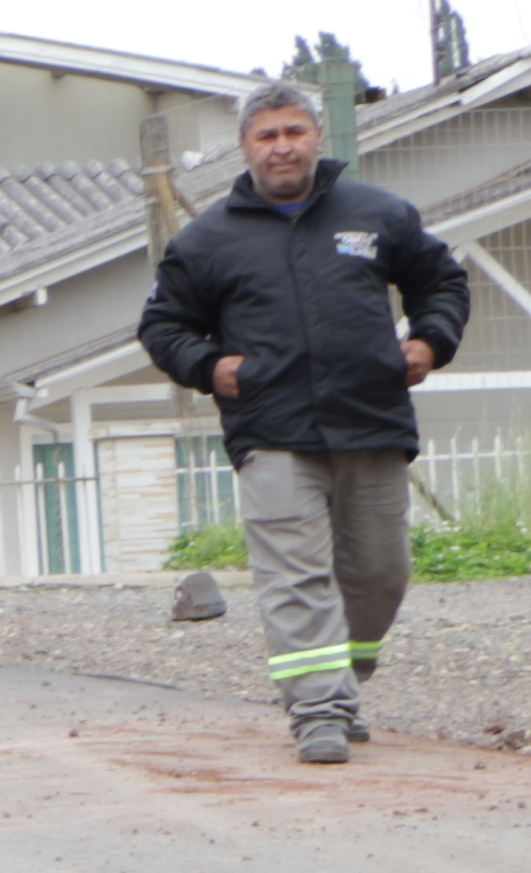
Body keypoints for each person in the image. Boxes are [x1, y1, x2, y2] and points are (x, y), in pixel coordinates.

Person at [140, 81, 469, 766]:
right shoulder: (207, 239)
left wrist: (430, 341)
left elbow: (441, 281)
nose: (282, 147)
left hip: (372, 422)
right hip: (271, 432)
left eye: (294, 132)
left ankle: (344, 680)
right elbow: (164, 325)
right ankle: (318, 711)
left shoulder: (377, 214)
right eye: (267, 135)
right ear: (244, 146)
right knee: (295, 576)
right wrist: (210, 368)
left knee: (380, 573)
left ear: (318, 136)